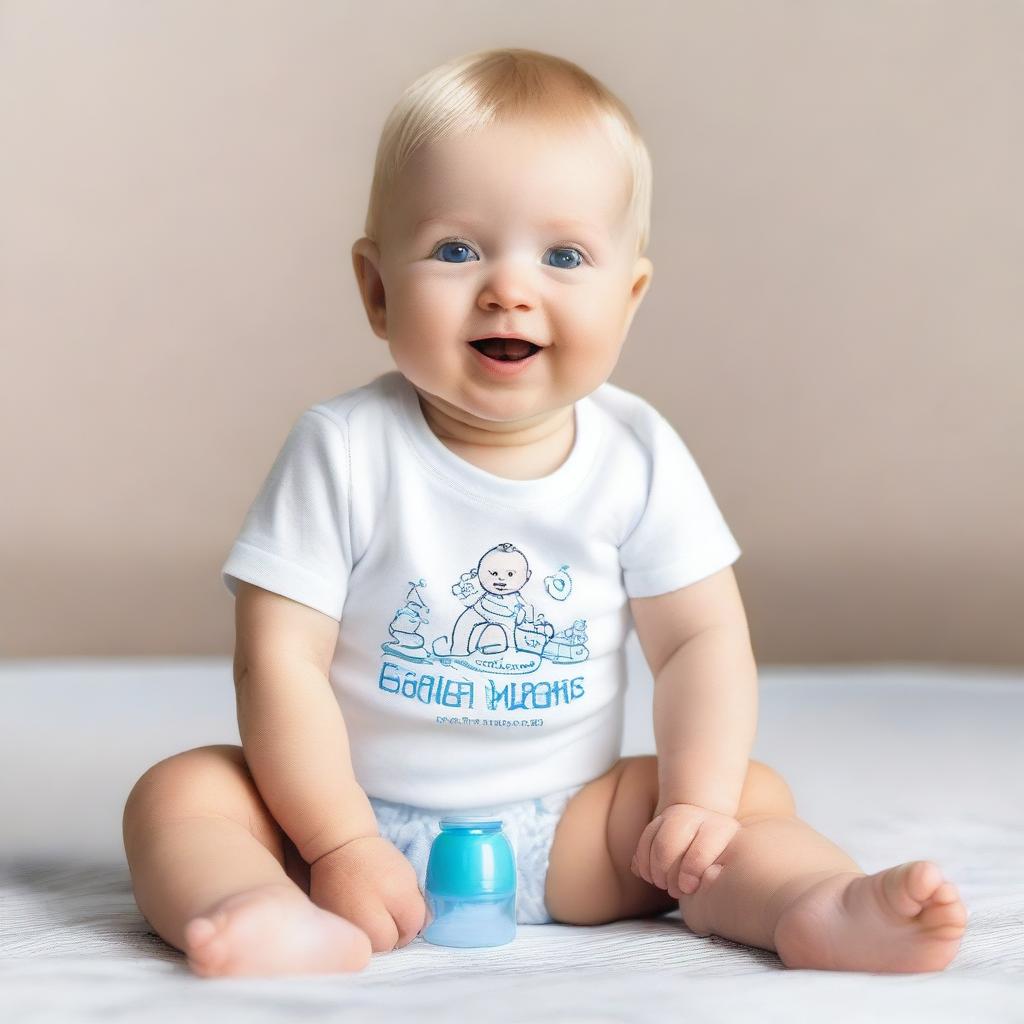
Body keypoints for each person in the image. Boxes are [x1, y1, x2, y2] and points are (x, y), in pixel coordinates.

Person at [121, 48, 967, 978]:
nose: (508, 288)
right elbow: (277, 661)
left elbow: (700, 643)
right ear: (375, 289)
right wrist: (336, 845)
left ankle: (812, 903)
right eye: (456, 250)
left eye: (563, 256)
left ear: (629, 298)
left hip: (572, 832)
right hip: (337, 826)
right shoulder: (344, 449)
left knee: (746, 797)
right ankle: (255, 907)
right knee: (186, 793)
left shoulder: (638, 454)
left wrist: (695, 802)